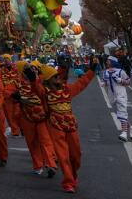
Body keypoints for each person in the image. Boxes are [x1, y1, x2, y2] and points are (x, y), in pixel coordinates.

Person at [37, 60, 96, 195]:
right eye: (55, 77)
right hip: (55, 126)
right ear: (47, 80)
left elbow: (81, 84)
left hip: (70, 125)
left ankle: (72, 176)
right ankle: (68, 182)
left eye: (58, 76)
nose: (58, 78)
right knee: (63, 156)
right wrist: (34, 79)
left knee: (76, 155)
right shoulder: (44, 93)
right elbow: (36, 87)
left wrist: (91, 70)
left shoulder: (67, 90)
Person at [13, 61, 56, 177]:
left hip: (42, 116)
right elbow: (7, 93)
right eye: (26, 69)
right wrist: (15, 96)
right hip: (26, 117)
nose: (31, 71)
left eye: (32, 68)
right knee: (32, 142)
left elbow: (47, 92)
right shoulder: (17, 82)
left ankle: (51, 164)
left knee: (45, 140)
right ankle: (38, 166)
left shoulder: (41, 80)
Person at [100, 56, 132, 141]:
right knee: (120, 114)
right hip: (111, 95)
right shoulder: (106, 72)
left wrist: (121, 81)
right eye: (106, 61)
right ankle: (131, 128)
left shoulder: (121, 72)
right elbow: (105, 81)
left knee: (122, 112)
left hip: (121, 94)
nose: (107, 62)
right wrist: (103, 83)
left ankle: (124, 133)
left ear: (113, 62)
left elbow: (128, 82)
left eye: (108, 61)